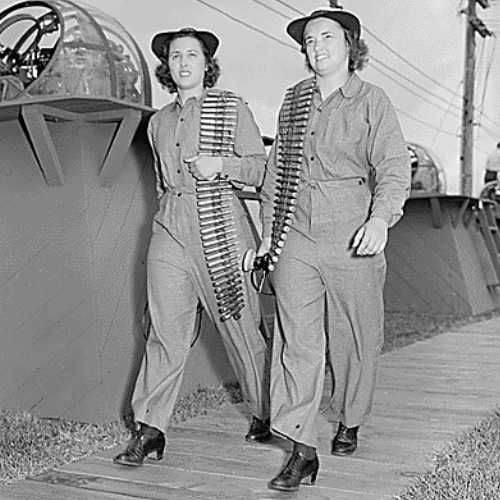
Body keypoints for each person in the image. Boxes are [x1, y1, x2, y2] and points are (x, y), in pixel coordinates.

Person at [258, 8, 411, 492]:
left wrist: (381, 219)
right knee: (296, 340)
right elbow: (274, 173)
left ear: (350, 45)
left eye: (327, 37)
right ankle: (301, 448)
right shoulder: (294, 101)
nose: (316, 46)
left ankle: (350, 417)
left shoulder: (372, 100)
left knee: (355, 338)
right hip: (296, 233)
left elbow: (392, 166)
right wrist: (267, 231)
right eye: (309, 40)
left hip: (352, 227)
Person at [113, 27, 270, 467]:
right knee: (164, 329)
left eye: (192, 55)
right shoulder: (158, 122)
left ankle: (266, 411)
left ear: (207, 64)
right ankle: (150, 429)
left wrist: (220, 165)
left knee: (239, 326)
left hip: (220, 221)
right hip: (171, 224)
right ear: (167, 66)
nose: (183, 63)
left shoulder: (231, 107)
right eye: (175, 56)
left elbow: (260, 169)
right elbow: (163, 183)